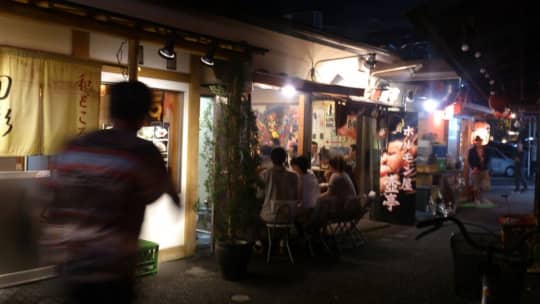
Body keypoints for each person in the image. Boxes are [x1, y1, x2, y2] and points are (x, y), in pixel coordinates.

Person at [43, 81, 180, 304]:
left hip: (73, 265)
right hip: (113, 269)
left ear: (110, 109)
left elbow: (51, 197)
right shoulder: (142, 153)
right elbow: (165, 196)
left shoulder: (76, 146)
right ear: (143, 114)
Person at [259, 147, 298, 223]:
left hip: (270, 215)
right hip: (289, 215)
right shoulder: (294, 175)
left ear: (271, 158)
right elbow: (296, 196)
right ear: (285, 158)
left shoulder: (265, 174)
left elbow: (259, 195)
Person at [468, 136, 491, 204]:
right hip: (476, 169)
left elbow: (489, 158)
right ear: (475, 142)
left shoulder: (486, 150)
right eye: (477, 141)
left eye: (480, 141)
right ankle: (476, 199)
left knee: (484, 185)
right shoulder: (472, 151)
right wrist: (473, 167)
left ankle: (481, 198)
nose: (479, 143)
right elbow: (470, 160)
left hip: (484, 169)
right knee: (475, 185)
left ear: (481, 142)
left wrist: (484, 160)